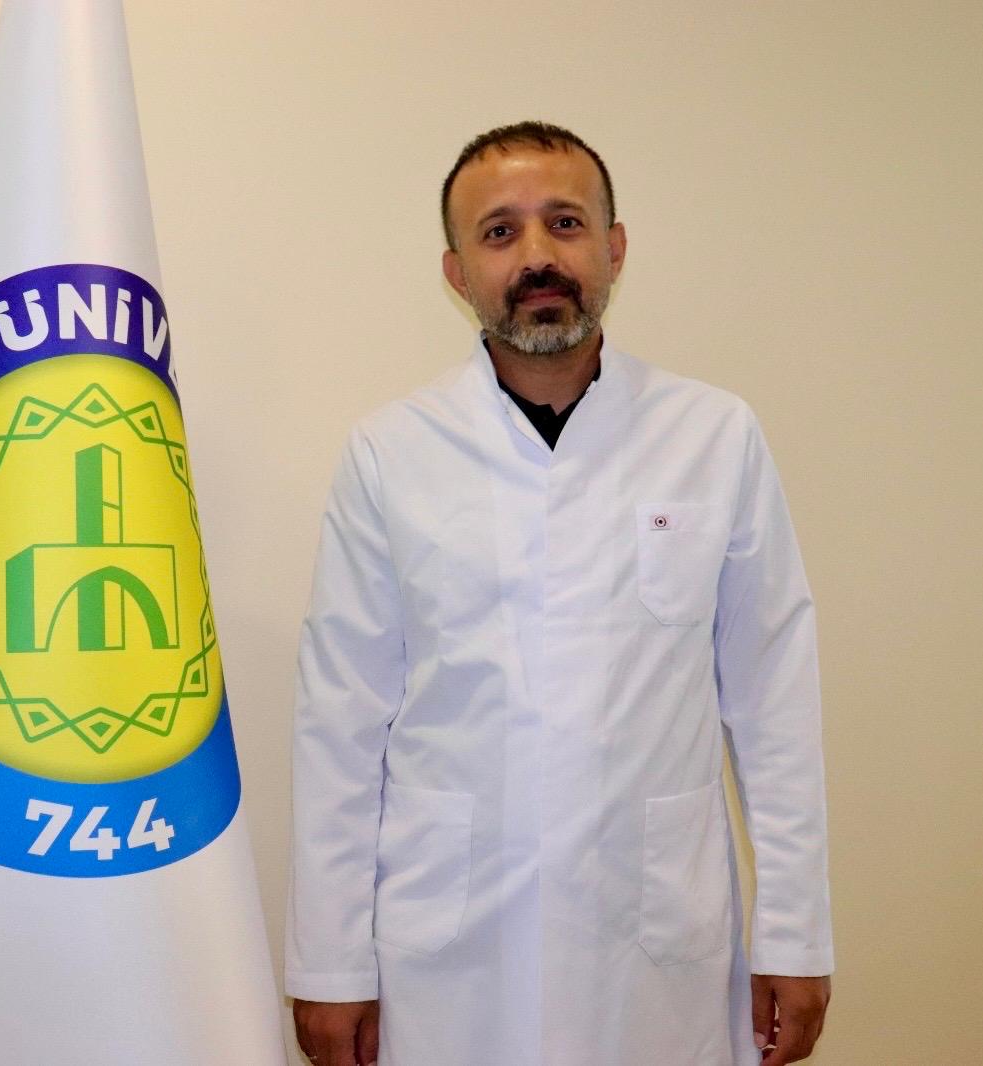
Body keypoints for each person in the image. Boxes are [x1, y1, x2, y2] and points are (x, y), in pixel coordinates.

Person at [285, 122, 833, 1066]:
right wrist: (331, 964)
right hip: (453, 945)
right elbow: (341, 721)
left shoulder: (713, 436)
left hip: (653, 941)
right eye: (499, 232)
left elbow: (771, 702)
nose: (537, 255)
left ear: (614, 248)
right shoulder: (390, 452)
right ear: (457, 273)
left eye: (565, 222)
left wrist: (794, 936)